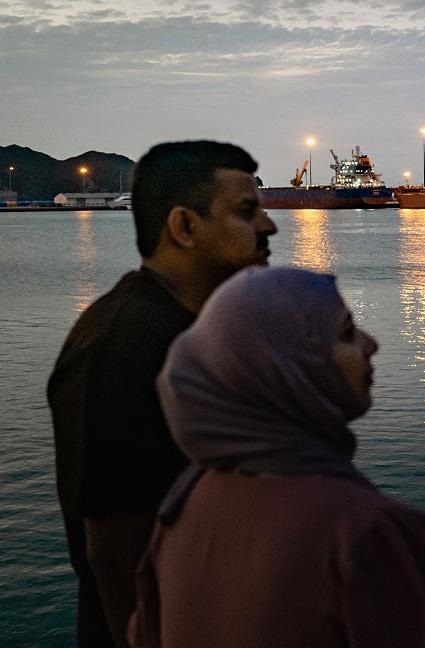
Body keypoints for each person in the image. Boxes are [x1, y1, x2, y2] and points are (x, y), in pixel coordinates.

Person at [130, 267, 425, 647]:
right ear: (287, 368)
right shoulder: (364, 531)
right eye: (346, 334)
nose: (371, 344)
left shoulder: (184, 507)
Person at [47, 141, 278, 647]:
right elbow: (116, 553)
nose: (269, 226)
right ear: (184, 226)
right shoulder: (126, 346)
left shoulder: (181, 329)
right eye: (246, 211)